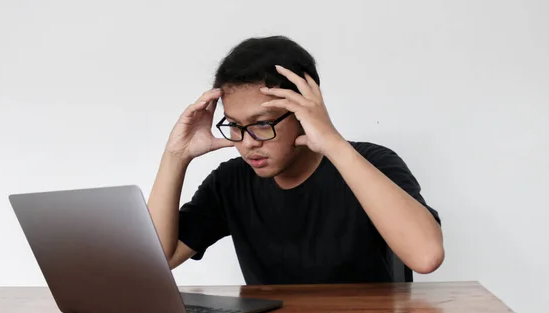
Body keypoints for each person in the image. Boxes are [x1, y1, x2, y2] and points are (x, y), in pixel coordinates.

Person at [147, 36, 444, 285]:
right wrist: (176, 156)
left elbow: (426, 256)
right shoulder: (231, 181)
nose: (248, 142)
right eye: (235, 126)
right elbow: (157, 261)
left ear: (303, 113)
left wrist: (333, 143)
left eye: (262, 123)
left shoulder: (370, 162)